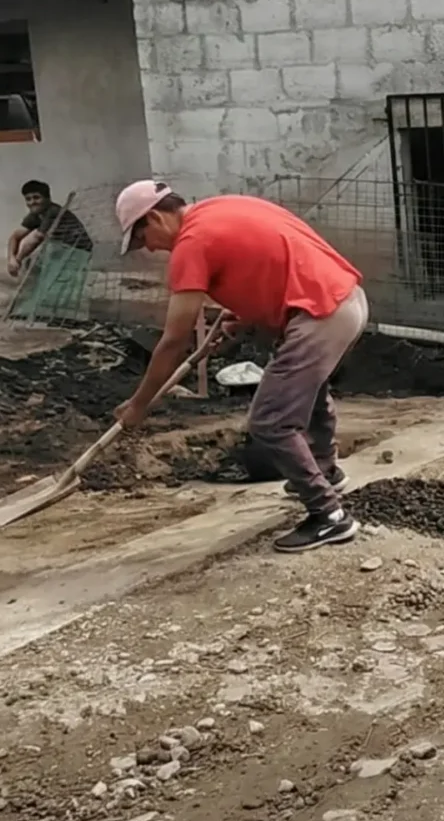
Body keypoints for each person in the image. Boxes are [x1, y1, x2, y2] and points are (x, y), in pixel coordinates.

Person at [112, 181, 368, 552]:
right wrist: (240, 319)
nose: (149, 249)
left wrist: (139, 405)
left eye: (143, 239)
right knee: (308, 392)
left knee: (270, 421)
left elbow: (172, 340)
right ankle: (325, 469)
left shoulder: (191, 245)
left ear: (153, 217)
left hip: (320, 315)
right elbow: (267, 260)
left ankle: (329, 516)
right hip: (345, 299)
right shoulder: (221, 207)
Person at [5, 179, 93, 324]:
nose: (32, 202)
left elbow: (36, 239)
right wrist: (11, 259)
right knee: (36, 268)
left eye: (36, 197)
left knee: (54, 279)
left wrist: (19, 259)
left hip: (77, 249)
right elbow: (15, 237)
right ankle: (38, 310)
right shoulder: (36, 214)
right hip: (58, 249)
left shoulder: (53, 212)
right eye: (28, 199)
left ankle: (53, 315)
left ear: (47, 198)